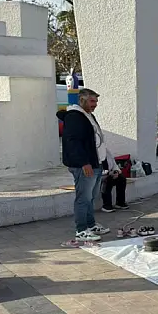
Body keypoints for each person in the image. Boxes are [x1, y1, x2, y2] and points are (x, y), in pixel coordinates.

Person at [57, 89, 112, 242]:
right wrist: (84, 163)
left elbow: (97, 140)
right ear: (82, 100)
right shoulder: (75, 117)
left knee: (91, 197)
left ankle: (90, 225)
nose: (95, 105)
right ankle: (81, 230)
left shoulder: (88, 116)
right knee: (83, 198)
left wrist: (103, 162)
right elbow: (73, 142)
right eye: (92, 101)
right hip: (85, 165)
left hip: (96, 163)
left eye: (96, 101)